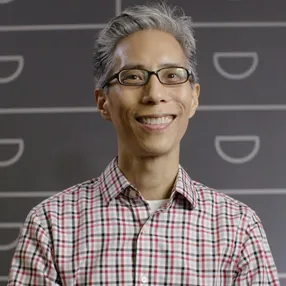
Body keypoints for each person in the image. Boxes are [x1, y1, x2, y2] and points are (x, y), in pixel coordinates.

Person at [8, 2, 280, 285]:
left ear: (194, 97)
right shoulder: (52, 225)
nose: (154, 94)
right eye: (133, 77)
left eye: (172, 75)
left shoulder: (238, 227)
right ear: (103, 102)